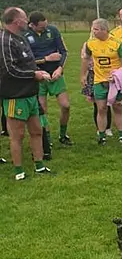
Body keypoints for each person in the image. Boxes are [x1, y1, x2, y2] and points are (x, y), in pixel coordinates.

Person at [0, 7, 53, 180]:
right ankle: (19, 171)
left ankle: (39, 165)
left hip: (31, 94)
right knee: (17, 135)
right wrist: (33, 75)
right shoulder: (5, 40)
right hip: (16, 96)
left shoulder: (20, 38)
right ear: (16, 21)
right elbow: (9, 70)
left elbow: (27, 64)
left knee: (37, 130)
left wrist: (39, 72)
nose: (27, 21)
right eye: (24, 18)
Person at [26, 11, 70, 157]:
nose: (44, 29)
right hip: (38, 77)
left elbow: (64, 52)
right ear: (32, 25)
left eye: (45, 26)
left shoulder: (53, 30)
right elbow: (26, 60)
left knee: (65, 105)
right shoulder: (24, 36)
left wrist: (60, 68)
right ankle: (46, 139)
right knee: (42, 110)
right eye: (41, 28)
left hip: (56, 74)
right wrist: (45, 59)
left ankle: (63, 135)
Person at [81, 18, 122, 144]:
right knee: (101, 108)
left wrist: (118, 73)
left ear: (104, 30)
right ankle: (102, 136)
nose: (93, 31)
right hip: (99, 80)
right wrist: (83, 75)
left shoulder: (117, 43)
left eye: (96, 29)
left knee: (118, 107)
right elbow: (85, 59)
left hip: (115, 81)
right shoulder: (90, 43)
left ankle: (121, 135)